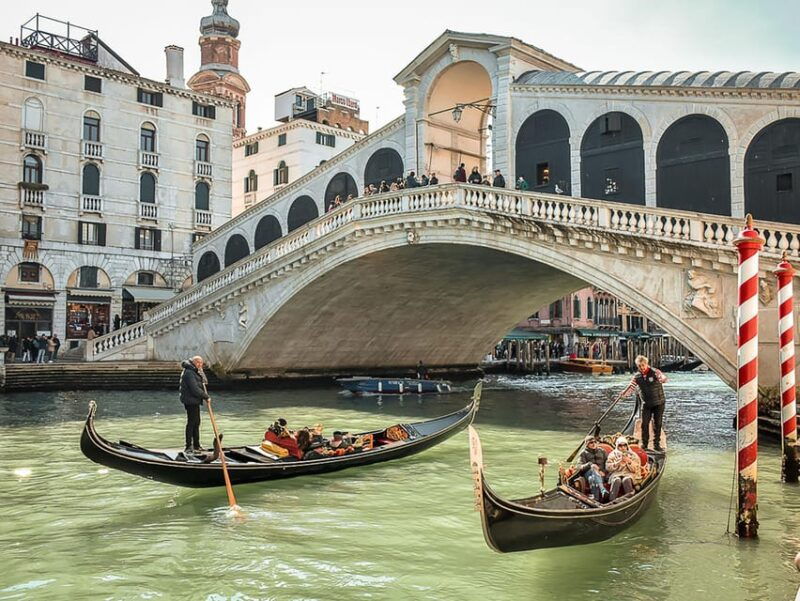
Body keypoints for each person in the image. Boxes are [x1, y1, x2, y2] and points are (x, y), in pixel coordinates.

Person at [619, 355, 667, 451]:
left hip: (658, 402)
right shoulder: (637, 377)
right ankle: (644, 445)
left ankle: (656, 445)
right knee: (644, 424)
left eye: (643, 365)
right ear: (637, 366)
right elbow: (631, 387)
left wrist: (662, 379)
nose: (642, 367)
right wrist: (623, 394)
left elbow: (663, 378)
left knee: (657, 424)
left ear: (646, 364)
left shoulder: (655, 372)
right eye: (639, 366)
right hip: (646, 404)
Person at [179, 355, 210, 454]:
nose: (200, 365)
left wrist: (201, 371)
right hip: (190, 400)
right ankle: (188, 446)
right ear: (193, 362)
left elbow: (204, 381)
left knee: (196, 422)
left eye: (201, 363)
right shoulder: (189, 372)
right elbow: (194, 388)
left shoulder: (195, 371)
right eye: (198, 363)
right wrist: (205, 396)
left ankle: (196, 445)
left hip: (194, 400)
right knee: (192, 422)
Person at [606, 436, 642, 501]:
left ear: (627, 446)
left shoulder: (633, 455)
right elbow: (608, 467)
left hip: (629, 474)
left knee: (626, 480)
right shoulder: (612, 455)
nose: (623, 447)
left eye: (624, 445)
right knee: (616, 480)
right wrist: (617, 463)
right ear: (617, 446)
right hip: (616, 473)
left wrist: (629, 462)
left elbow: (636, 469)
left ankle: (630, 500)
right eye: (620, 446)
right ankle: (611, 500)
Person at [577, 436, 608, 501]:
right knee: (593, 468)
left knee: (592, 479)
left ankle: (596, 499)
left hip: (601, 474)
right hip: (587, 473)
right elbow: (580, 467)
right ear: (587, 444)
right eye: (591, 443)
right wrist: (590, 464)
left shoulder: (602, 451)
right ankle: (603, 489)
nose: (593, 444)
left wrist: (603, 472)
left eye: (595, 442)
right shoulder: (583, 453)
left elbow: (607, 464)